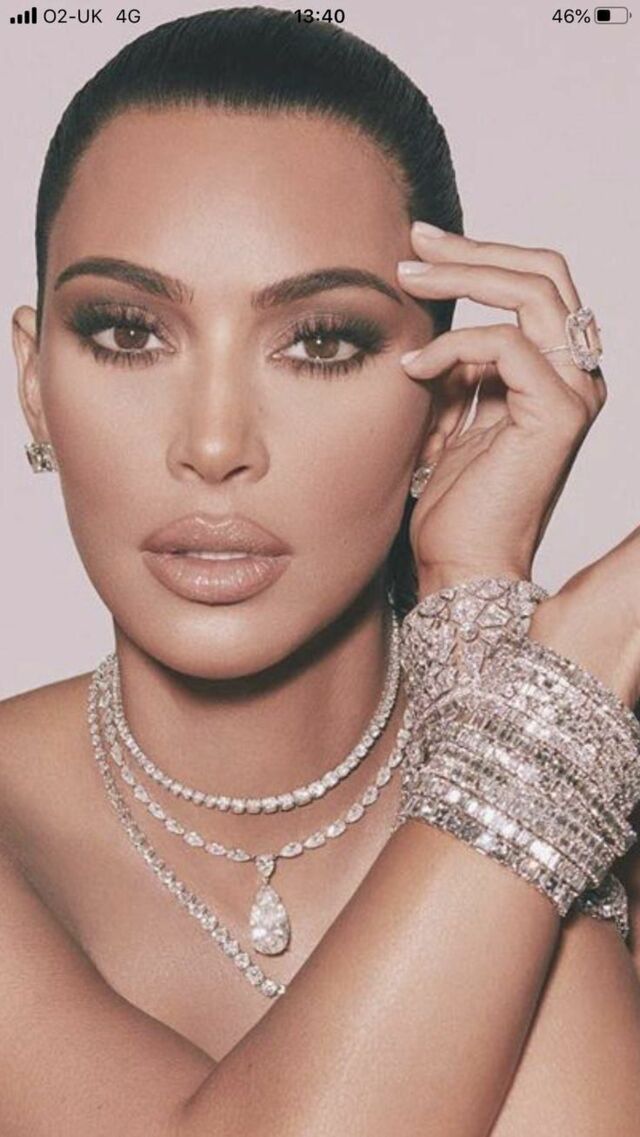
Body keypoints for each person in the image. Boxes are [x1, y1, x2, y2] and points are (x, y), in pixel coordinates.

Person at [2, 7, 640, 1134]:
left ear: (446, 409)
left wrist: (477, 605)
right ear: (35, 382)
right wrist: (562, 684)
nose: (213, 445)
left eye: (320, 341)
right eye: (128, 332)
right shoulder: (573, 734)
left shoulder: (598, 770)